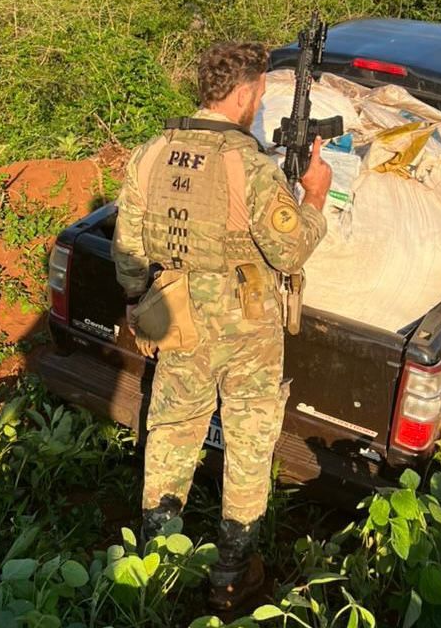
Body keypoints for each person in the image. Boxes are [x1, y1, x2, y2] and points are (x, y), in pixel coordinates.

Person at [111, 41, 332, 609]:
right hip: (247, 325)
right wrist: (314, 195)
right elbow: (290, 251)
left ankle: (157, 564)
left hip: (175, 314)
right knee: (248, 443)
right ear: (242, 92)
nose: (260, 101)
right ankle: (232, 573)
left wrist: (142, 303)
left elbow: (129, 253)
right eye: (259, 91)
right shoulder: (251, 168)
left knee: (170, 434)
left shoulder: (150, 155)